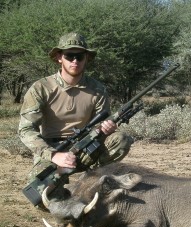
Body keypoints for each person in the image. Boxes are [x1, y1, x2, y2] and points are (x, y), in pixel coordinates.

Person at [19, 32, 133, 200]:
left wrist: (107, 129)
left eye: (79, 56)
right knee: (42, 195)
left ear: (86, 58)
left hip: (86, 146)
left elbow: (101, 123)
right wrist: (53, 155)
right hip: (52, 149)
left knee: (121, 138)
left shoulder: (97, 88)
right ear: (59, 57)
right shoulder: (40, 88)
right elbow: (26, 129)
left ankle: (94, 182)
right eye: (69, 56)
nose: (75, 61)